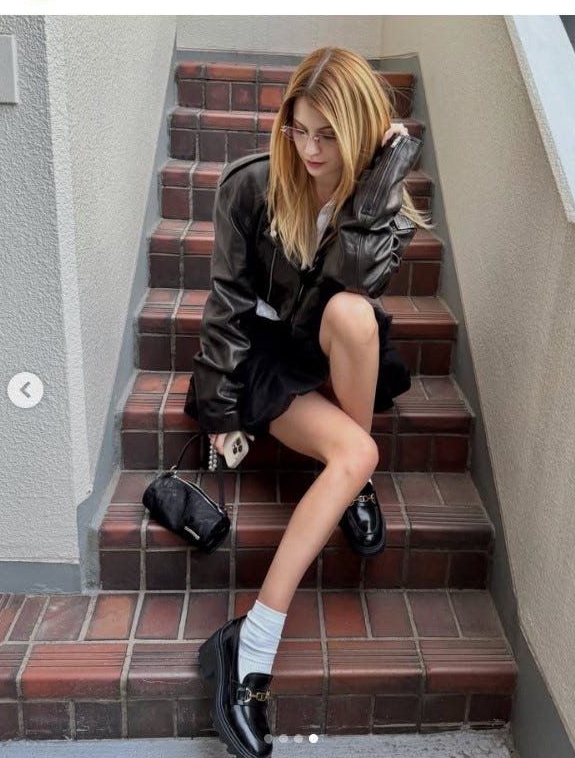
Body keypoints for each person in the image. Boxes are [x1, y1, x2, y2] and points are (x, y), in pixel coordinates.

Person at [184, 46, 431, 758]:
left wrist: (381, 177)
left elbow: (354, 281)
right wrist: (221, 409)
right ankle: (249, 648)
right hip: (266, 354)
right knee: (356, 452)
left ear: (361, 134)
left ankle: (352, 474)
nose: (311, 149)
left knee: (355, 314)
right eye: (299, 130)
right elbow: (228, 303)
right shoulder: (250, 185)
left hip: (326, 343)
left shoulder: (380, 201)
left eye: (330, 135)